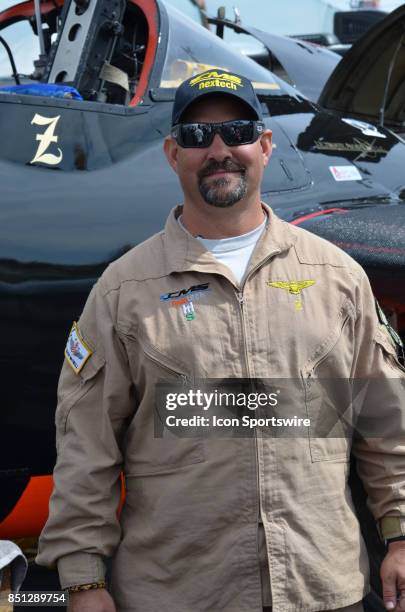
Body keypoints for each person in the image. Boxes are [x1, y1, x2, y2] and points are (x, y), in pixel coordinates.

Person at [36, 69, 405, 612]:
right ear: (172, 153)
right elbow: (86, 445)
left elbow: (386, 422)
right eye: (196, 136)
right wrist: (84, 582)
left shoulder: (338, 277)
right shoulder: (124, 290)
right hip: (179, 592)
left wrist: (399, 535)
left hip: (318, 585)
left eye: (236, 132)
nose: (218, 150)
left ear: (265, 144)